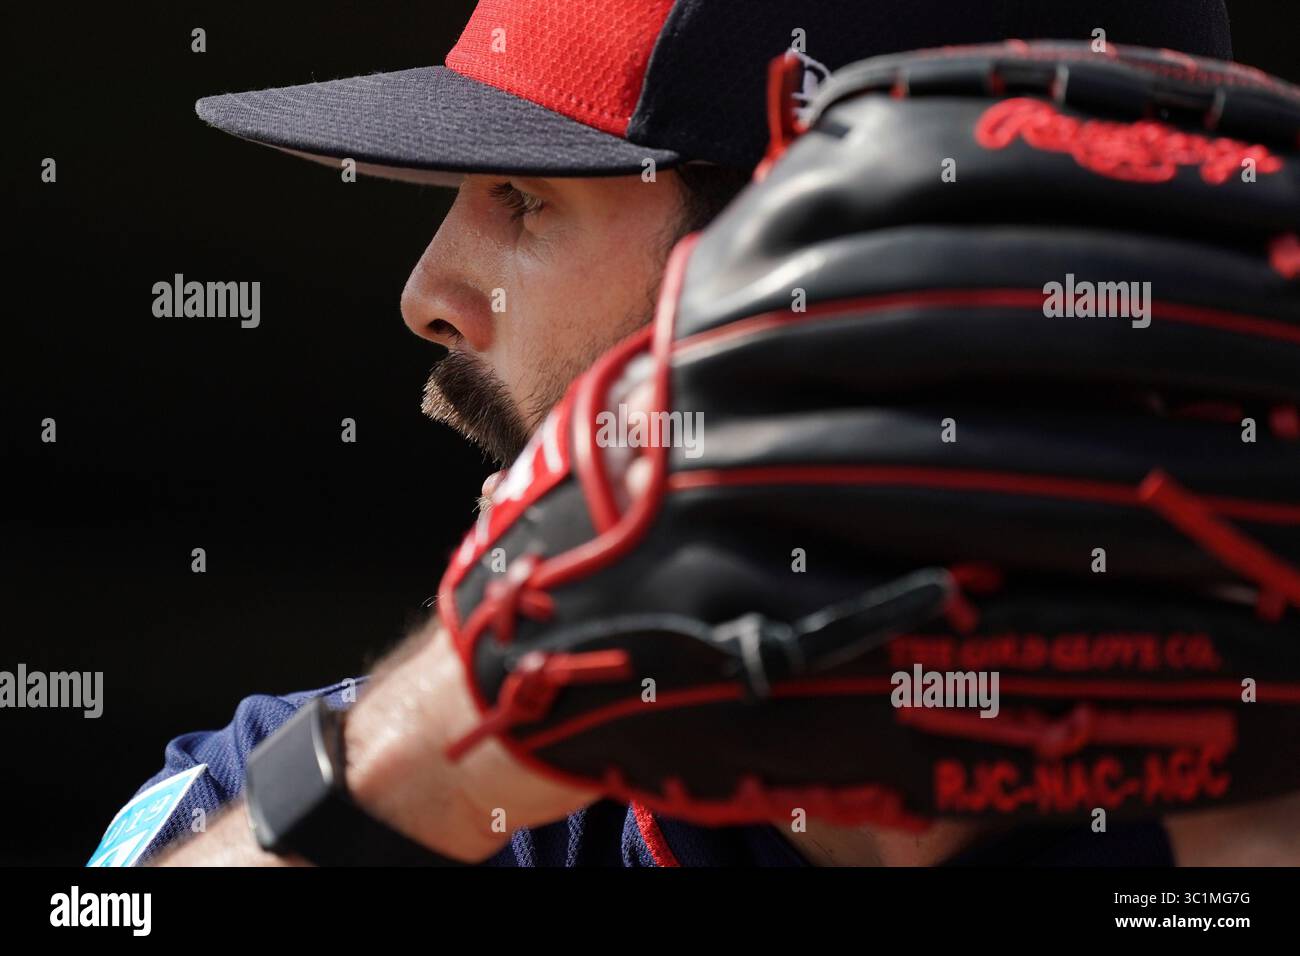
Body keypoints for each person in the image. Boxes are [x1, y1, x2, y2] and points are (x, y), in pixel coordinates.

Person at [89, 0, 1269, 868]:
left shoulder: (1234, 802)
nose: (425, 288)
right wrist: (421, 760)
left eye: (522, 198)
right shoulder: (339, 777)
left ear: (828, 272)